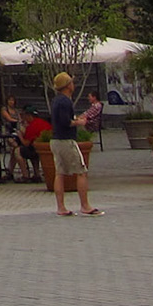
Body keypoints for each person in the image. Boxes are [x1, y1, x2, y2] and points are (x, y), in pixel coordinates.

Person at [48, 72, 101, 216]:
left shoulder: (55, 101)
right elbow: (66, 122)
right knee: (81, 171)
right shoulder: (65, 101)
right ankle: (85, 205)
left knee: (59, 173)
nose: (73, 85)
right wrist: (79, 122)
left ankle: (61, 207)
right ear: (67, 86)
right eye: (71, 82)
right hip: (66, 140)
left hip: (55, 140)